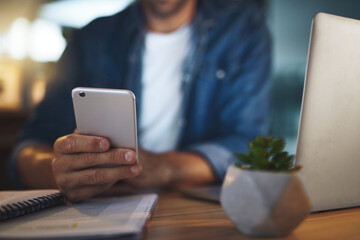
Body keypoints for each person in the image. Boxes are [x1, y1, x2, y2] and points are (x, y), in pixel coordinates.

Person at [8, 0, 271, 202]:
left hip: (191, 208)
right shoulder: (90, 38)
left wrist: (164, 167)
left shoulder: (243, 32)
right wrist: (56, 171)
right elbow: (26, 149)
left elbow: (245, 145)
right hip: (101, 207)